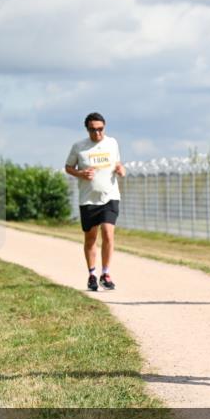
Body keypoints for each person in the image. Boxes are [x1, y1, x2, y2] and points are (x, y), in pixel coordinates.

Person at [65, 112, 125, 291]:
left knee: (108, 233)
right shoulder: (79, 147)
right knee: (91, 238)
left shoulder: (112, 143)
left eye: (100, 129)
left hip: (110, 196)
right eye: (93, 130)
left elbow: (117, 163)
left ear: (104, 127)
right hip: (88, 199)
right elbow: (68, 167)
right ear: (87, 129)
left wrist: (120, 169)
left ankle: (105, 274)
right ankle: (92, 274)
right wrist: (80, 173)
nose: (97, 133)